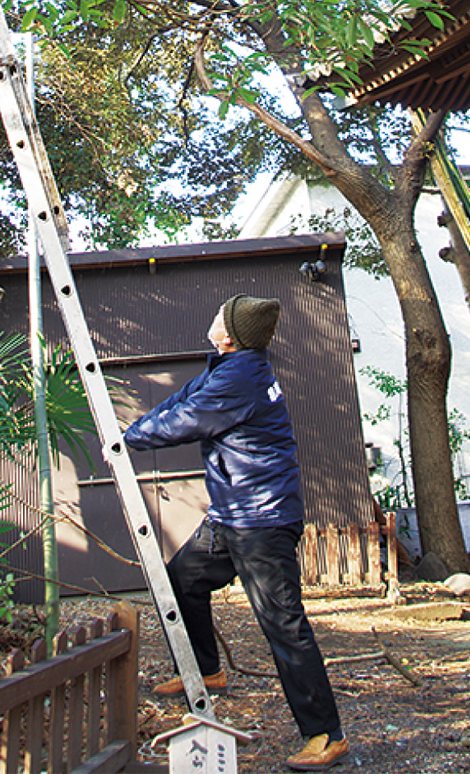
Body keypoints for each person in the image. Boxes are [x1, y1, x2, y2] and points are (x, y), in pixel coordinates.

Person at [124, 295, 349, 771]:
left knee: (283, 625)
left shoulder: (240, 378)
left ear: (230, 333)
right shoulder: (229, 367)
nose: (212, 319)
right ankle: (207, 672)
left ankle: (325, 735)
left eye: (218, 316)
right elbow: (180, 402)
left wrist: (128, 442)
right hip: (232, 516)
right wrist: (134, 429)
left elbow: (188, 420)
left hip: (262, 520)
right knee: (182, 580)